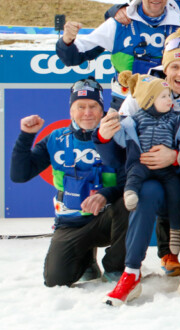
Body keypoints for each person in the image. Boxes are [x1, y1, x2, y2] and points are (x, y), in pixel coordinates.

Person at [117, 28, 180, 293]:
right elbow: (123, 133)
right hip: (152, 173)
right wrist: (108, 130)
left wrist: (176, 157)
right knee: (146, 191)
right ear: (165, 69)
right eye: (175, 67)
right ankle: (132, 271)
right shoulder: (144, 90)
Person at [10, 78, 127, 287]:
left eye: (93, 106)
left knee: (130, 203)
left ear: (102, 111)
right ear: (71, 110)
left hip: (108, 219)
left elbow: (131, 180)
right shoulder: (56, 138)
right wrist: (27, 136)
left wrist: (105, 195)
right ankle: (86, 260)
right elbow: (20, 175)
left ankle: (115, 267)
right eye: (80, 107)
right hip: (71, 222)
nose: (87, 112)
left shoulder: (117, 135)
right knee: (56, 280)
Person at [56, 0, 180, 109]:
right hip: (124, 103)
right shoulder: (119, 23)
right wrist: (67, 40)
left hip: (167, 105)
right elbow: (74, 57)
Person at [108, 72, 180, 259]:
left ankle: (175, 231)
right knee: (134, 175)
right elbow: (123, 139)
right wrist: (114, 125)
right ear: (149, 100)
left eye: (169, 96)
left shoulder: (174, 118)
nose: (169, 100)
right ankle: (130, 193)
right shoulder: (135, 120)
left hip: (167, 169)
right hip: (142, 164)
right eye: (163, 97)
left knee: (175, 194)